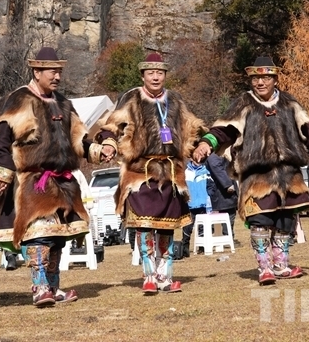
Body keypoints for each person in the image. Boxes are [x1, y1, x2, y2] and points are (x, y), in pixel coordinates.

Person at [193, 56, 309, 285]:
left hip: (289, 174)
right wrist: (206, 143)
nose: (260, 82)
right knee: (260, 221)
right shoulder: (243, 104)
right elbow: (223, 130)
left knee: (285, 222)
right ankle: (264, 267)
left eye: (266, 78)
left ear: (275, 79)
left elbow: (308, 135)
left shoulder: (290, 103)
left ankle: (281, 265)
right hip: (257, 176)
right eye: (256, 78)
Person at [0, 47, 111, 307]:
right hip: (33, 181)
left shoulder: (64, 103)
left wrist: (98, 150)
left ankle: (53, 288)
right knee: (39, 234)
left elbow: (79, 138)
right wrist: (2, 172)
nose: (57, 77)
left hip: (63, 182)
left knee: (57, 237)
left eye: (59, 72)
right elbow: (1, 140)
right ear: (37, 71)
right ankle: (40, 287)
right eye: (52, 72)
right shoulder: (18, 100)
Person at [96, 52, 206, 294]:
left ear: (165, 75)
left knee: (166, 227)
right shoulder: (131, 98)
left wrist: (202, 145)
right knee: (144, 226)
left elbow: (193, 129)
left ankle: (164, 276)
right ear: (142, 75)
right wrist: (108, 143)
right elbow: (110, 126)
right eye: (151, 73)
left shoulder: (175, 100)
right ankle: (148, 275)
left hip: (171, 173)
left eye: (159, 73)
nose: (155, 77)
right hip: (141, 174)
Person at [205, 150, 238, 241]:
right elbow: (217, 168)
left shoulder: (218, 154)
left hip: (224, 191)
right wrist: (228, 184)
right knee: (227, 214)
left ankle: (229, 237)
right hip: (221, 192)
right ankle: (228, 238)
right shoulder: (214, 156)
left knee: (230, 214)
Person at [181, 160, 211, 258]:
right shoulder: (186, 172)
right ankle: (185, 248)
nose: (198, 161)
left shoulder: (206, 171)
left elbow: (211, 186)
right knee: (187, 226)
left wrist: (209, 197)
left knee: (202, 227)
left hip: (203, 204)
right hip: (190, 204)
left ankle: (202, 247)